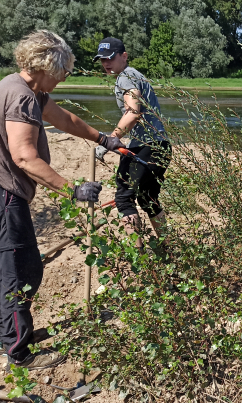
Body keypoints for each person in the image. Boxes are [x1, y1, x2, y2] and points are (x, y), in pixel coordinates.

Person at [0, 30, 124, 370]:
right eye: (64, 69)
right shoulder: (22, 97)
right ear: (47, 65)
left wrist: (104, 139)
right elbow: (25, 158)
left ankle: (13, 337)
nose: (65, 76)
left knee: (16, 265)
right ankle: (17, 354)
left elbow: (65, 120)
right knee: (19, 268)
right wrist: (73, 189)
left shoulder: (27, 89)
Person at [94, 37, 172, 247]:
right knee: (148, 198)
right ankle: (167, 247)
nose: (105, 63)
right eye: (102, 60)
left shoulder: (125, 78)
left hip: (145, 147)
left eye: (110, 58)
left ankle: (138, 257)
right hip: (162, 146)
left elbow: (133, 112)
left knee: (123, 199)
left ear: (124, 56)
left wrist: (111, 139)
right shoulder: (136, 75)